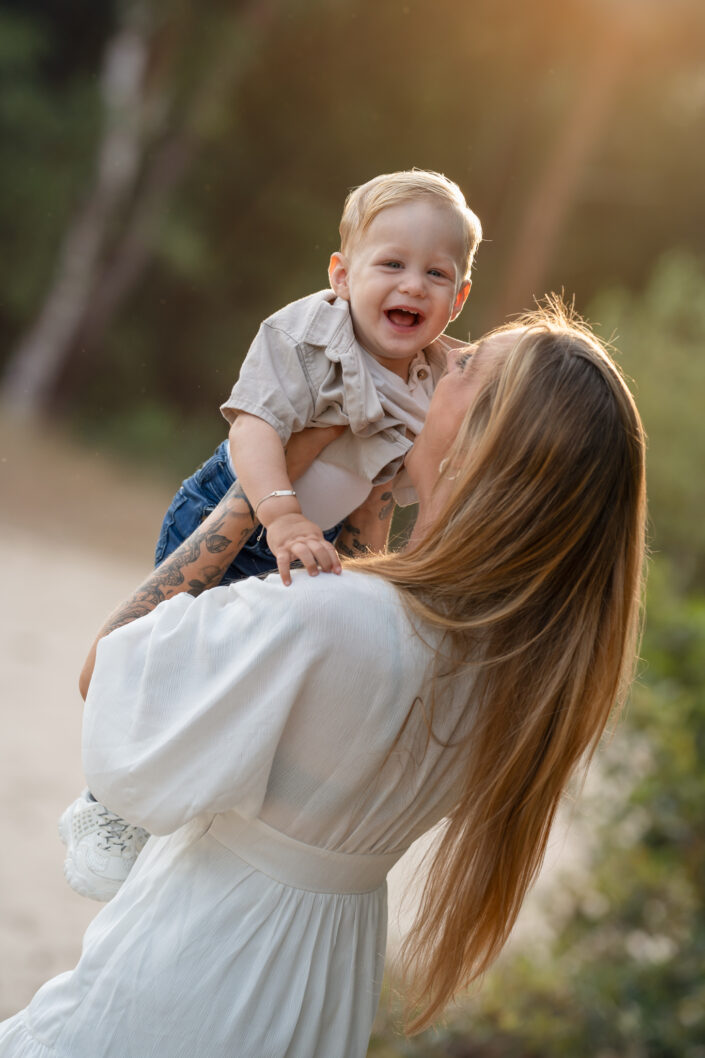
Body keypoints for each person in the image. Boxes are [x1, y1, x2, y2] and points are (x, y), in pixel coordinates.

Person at [0, 302, 647, 1057]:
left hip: (200, 974)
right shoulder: (524, 676)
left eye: (469, 368)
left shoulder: (324, 620)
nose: (444, 355)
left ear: (478, 449)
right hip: (325, 987)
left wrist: (261, 492)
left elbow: (111, 678)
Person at [58, 168, 483, 901]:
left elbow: (399, 488)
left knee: (242, 674)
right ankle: (103, 807)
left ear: (460, 296)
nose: (411, 285)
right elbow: (254, 430)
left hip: (318, 539)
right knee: (171, 655)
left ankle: (175, 802)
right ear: (341, 274)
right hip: (238, 505)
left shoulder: (434, 379)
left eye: (435, 274)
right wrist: (281, 513)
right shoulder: (306, 333)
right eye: (390, 265)